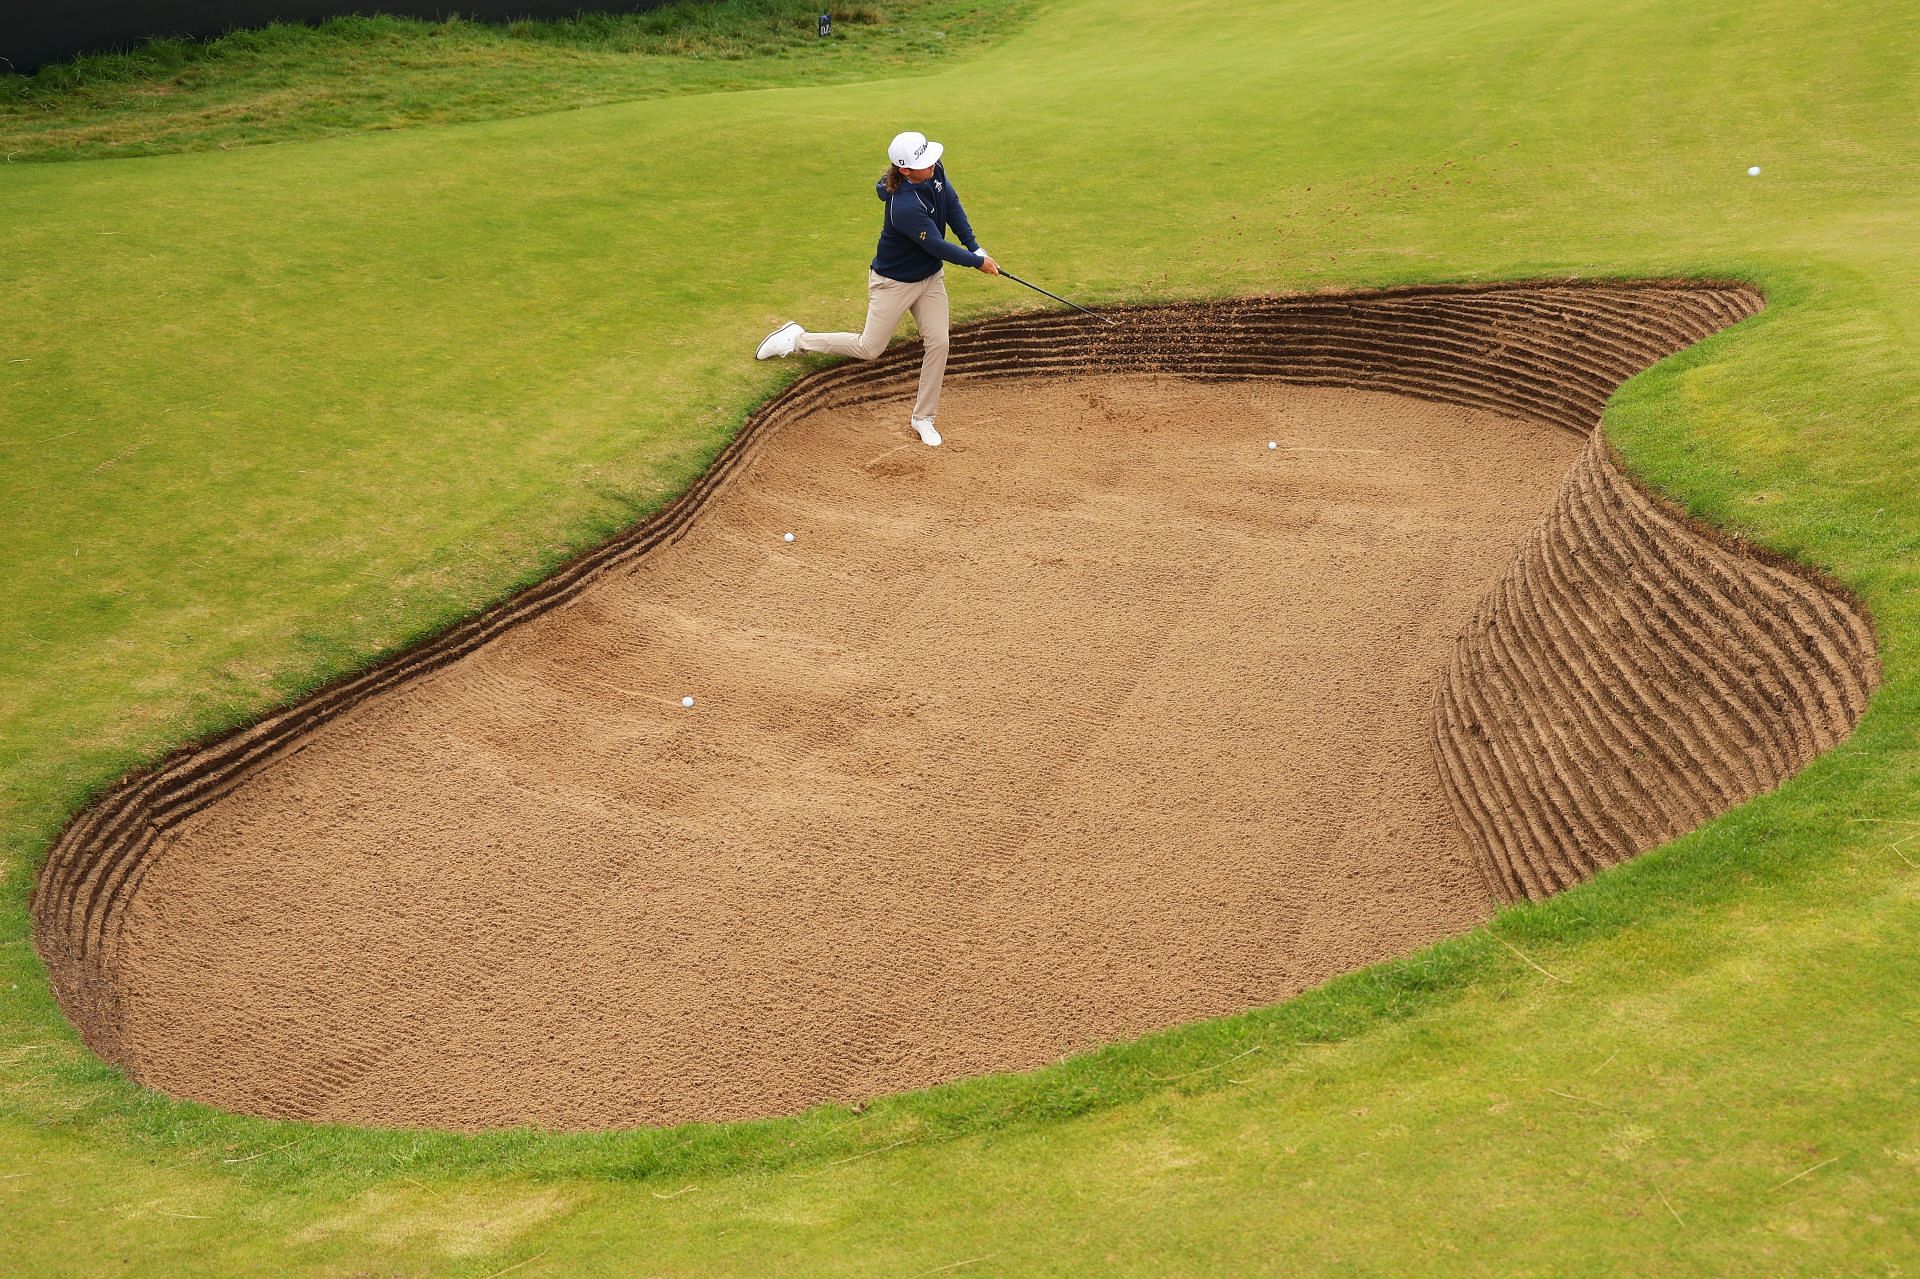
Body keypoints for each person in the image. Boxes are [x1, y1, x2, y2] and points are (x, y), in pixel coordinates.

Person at [755, 131, 1001, 447]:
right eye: (925, 163)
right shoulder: (904, 207)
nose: (934, 164)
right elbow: (937, 246)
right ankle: (797, 339)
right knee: (870, 348)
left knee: (939, 342)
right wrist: (974, 262)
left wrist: (975, 248)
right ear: (906, 171)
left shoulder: (934, 170)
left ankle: (923, 417)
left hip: (929, 280)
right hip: (893, 283)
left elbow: (951, 204)